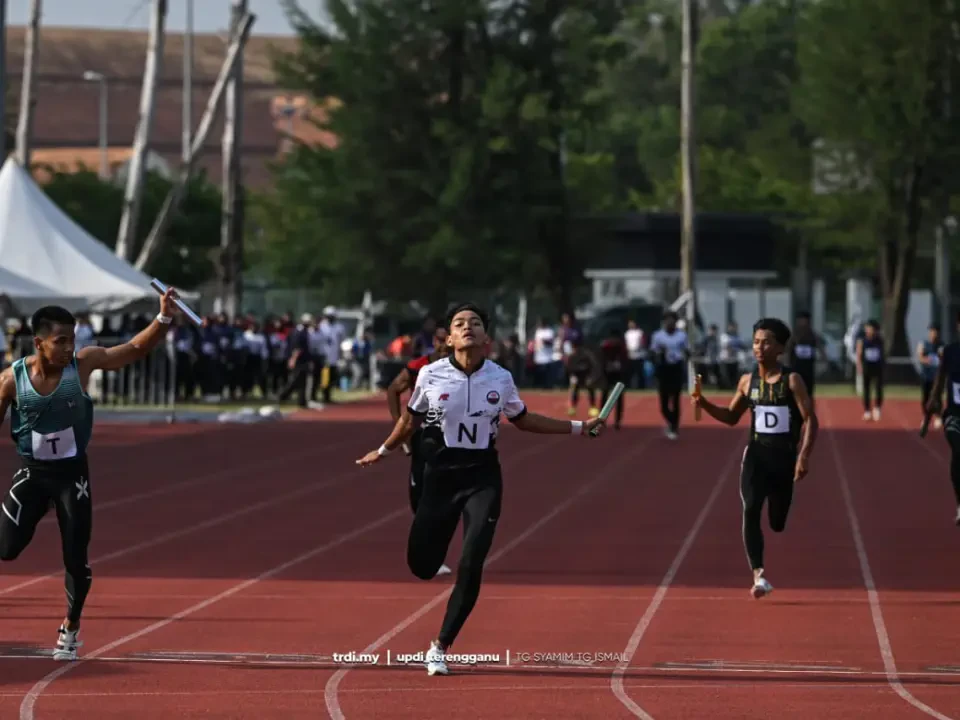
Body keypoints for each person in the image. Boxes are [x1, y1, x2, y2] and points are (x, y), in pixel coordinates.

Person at [356, 302, 606, 676]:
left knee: (472, 561)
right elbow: (411, 420)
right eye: (460, 323)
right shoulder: (430, 375)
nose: (468, 327)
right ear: (450, 337)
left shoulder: (500, 378)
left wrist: (578, 427)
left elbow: (523, 419)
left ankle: (440, 646)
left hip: (481, 476)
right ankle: (430, 569)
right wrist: (383, 450)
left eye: (475, 323)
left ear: (486, 337)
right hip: (440, 476)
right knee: (422, 565)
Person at [0, 289, 182, 660]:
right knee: (5, 549)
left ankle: (71, 626)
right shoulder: (10, 380)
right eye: (60, 340)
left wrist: (162, 318)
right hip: (33, 474)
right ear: (38, 343)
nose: (69, 347)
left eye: (72, 338)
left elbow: (132, 349)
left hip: (71, 476)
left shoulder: (81, 365)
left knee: (75, 554)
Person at [691, 318, 818, 599]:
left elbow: (810, 420)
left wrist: (804, 456)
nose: (760, 347)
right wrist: (705, 404)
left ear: (781, 348)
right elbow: (731, 417)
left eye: (767, 342)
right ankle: (759, 575)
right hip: (756, 455)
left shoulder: (792, 380)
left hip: (784, 459)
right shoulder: (747, 382)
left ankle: (778, 509)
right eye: (757, 341)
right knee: (750, 508)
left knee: (777, 522)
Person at [385, 326, 453, 577]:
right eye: (439, 340)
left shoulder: (466, 366)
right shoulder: (419, 366)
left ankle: (437, 551)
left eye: (448, 339)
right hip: (422, 437)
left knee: (445, 497)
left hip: (454, 438)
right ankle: (430, 549)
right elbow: (393, 389)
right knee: (420, 496)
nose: (444, 344)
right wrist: (398, 427)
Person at [925, 312, 960, 523]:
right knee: (958, 450)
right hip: (954, 415)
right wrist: (934, 398)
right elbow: (940, 378)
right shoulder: (950, 351)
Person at [650, 311, 689, 440]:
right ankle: (670, 420)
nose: (670, 323)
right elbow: (653, 352)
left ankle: (674, 426)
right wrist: (658, 354)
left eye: (672, 320)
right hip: (663, 369)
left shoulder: (681, 335)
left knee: (676, 399)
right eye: (667, 320)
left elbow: (686, 351)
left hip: (676, 368)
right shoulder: (657, 335)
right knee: (664, 403)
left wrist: (686, 355)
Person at [785, 311, 823, 405]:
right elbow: (786, 350)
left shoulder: (813, 335)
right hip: (795, 369)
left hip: (808, 369)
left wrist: (823, 359)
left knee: (808, 392)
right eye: (801, 320)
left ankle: (809, 411)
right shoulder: (793, 335)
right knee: (794, 391)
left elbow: (820, 347)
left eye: (805, 321)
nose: (803, 323)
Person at [599, 326, 628, 430]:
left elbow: (601, 358)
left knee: (606, 396)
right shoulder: (620, 345)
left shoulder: (606, 344)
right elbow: (625, 359)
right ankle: (616, 421)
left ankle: (603, 420)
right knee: (616, 397)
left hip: (610, 372)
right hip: (615, 373)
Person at [565, 337, 602, 418]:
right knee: (574, 389)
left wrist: (591, 377)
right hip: (576, 376)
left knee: (590, 388)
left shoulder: (586, 355)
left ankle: (593, 407)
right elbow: (569, 368)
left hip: (587, 376)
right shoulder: (571, 356)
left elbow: (594, 366)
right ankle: (572, 407)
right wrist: (572, 377)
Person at [856, 320, 885, 421]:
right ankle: (867, 411)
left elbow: (883, 354)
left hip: (877, 368)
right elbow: (859, 353)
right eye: (867, 328)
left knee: (878, 388)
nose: (868, 330)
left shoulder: (879, 340)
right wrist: (859, 365)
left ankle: (877, 408)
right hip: (866, 367)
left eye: (871, 328)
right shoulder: (862, 340)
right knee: (866, 389)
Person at [917, 324, 944, 430]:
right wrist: (926, 360)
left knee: (937, 397)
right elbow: (920, 356)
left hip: (937, 376)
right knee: (925, 398)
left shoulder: (941, 345)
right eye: (932, 331)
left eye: (935, 332)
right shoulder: (924, 344)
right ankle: (926, 417)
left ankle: (938, 416)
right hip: (926, 375)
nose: (933, 334)